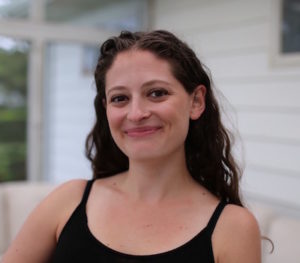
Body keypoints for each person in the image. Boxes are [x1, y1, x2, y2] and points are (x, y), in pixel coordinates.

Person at [2, 30, 261, 263]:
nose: (136, 113)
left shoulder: (234, 228)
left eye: (157, 93)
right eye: (120, 98)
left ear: (196, 101)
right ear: (106, 109)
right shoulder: (68, 201)